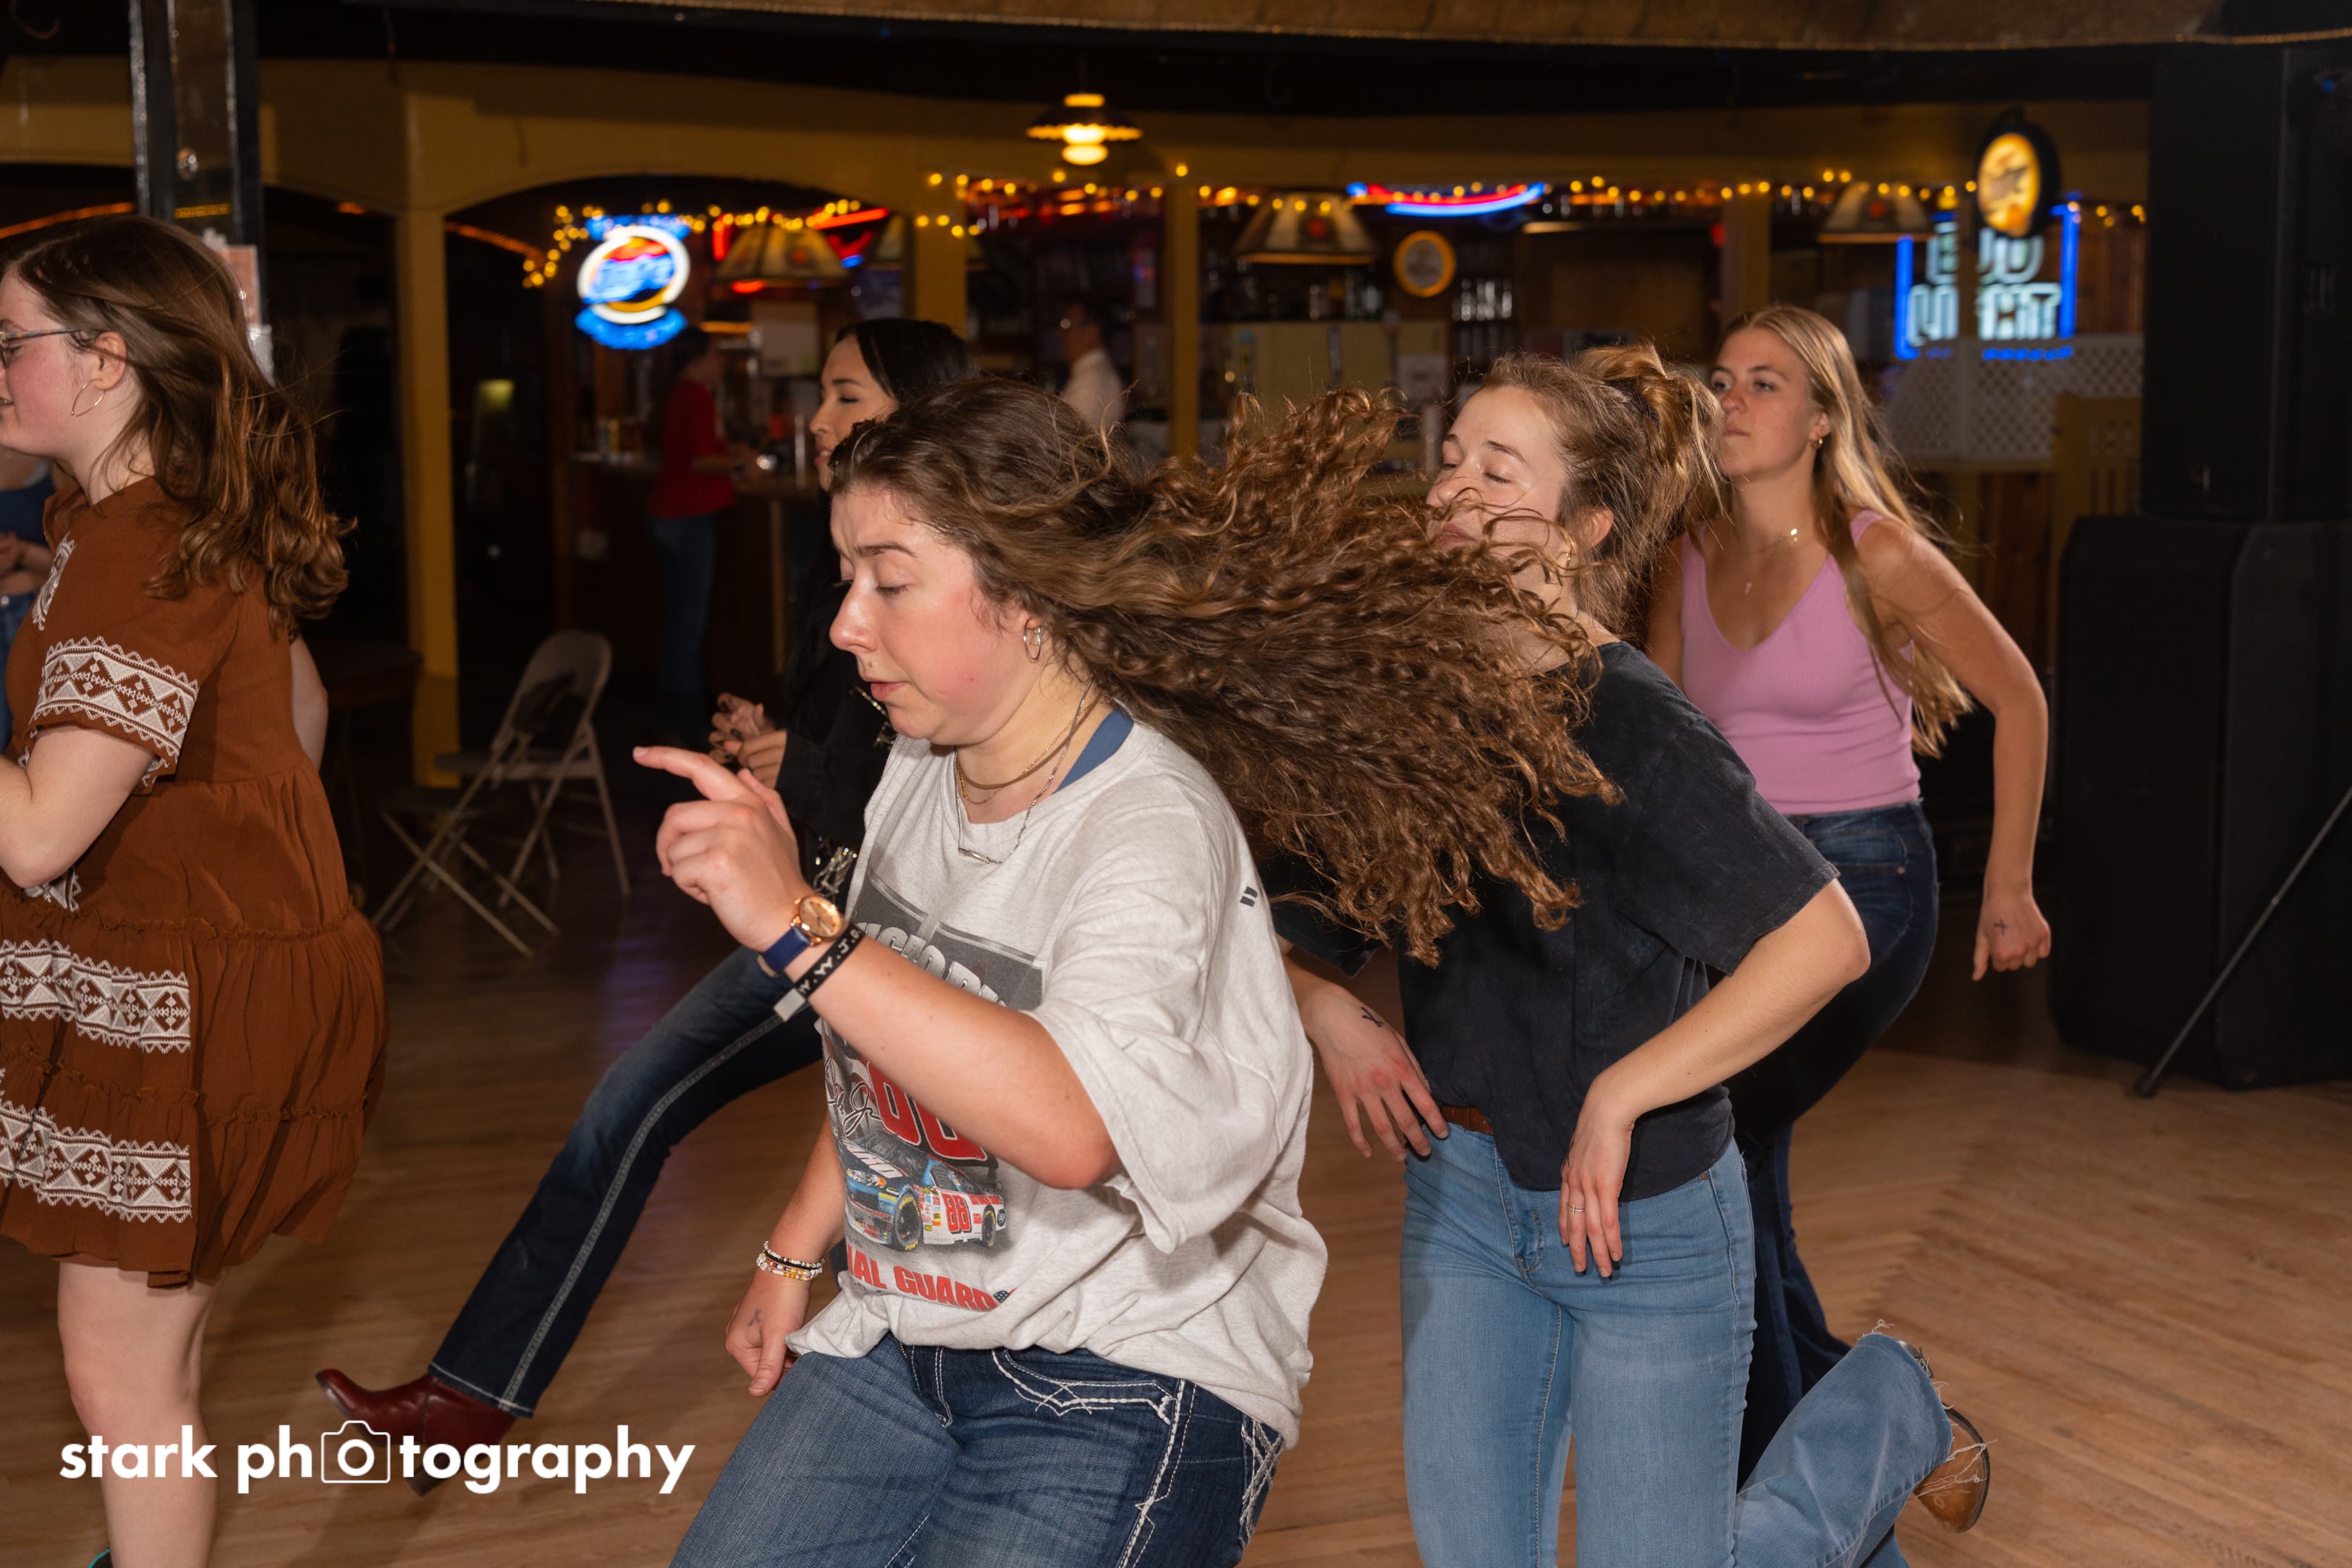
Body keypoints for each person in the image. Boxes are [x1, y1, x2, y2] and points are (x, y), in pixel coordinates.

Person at [636, 375, 1616, 1567]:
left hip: (1128, 1374)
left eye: (888, 580)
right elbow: (896, 1047)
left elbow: (1072, 1127)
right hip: (913, 1327)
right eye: (847, 577)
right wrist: (796, 1248)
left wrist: (799, 924)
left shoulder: (1148, 824)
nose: (846, 622)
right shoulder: (919, 768)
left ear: (1029, 597)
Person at [1278, 347, 1987, 1568]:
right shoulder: (1410, 710)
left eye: (1501, 469)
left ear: (1584, 527)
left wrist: (1624, 1091)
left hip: (1643, 1220)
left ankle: (1878, 1417)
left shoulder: (1637, 724)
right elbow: (1284, 915)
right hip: (1462, 1198)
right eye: (1450, 459)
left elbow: (1825, 938)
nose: (1454, 488)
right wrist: (1325, 1008)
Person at [315, 320, 973, 1486]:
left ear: (916, 409)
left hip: (857, 931)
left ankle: (478, 1396)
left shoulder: (943, 572)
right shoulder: (846, 552)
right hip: (817, 907)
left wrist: (800, 766)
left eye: (844, 395)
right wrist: (777, 745)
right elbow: (852, 749)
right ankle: (474, 1393)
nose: (818, 418)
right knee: (668, 1110)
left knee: (675, 1110)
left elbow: (936, 778)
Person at [0, 216, 386, 1568]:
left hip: (185, 999)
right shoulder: (157, 517)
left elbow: (36, 836)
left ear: (105, 360)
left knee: (122, 1378)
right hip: (222, 973)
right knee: (149, 1363)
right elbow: (299, 715)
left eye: (10, 342)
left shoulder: (139, 541)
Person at [1648, 304, 2050, 1472]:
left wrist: (2009, 885)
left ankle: (1787, 1479)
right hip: (1742, 884)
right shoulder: (1686, 555)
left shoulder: (1876, 553)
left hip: (1870, 880)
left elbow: (2020, 699)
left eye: (1764, 383)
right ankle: (1873, 1436)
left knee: (1716, 1130)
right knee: (1740, 1155)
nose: (1730, 400)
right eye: (1722, 379)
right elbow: (1662, 745)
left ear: (1823, 417)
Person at [647, 325, 742, 742]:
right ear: (700, 358)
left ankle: (674, 712)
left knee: (680, 619)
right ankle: (684, 719)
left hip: (672, 514)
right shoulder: (696, 396)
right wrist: (739, 463)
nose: (721, 362)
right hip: (689, 516)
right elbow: (701, 459)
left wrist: (729, 456)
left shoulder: (680, 394)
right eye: (717, 353)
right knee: (689, 622)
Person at [0, 443, 57, 744]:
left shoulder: (52, 456)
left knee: (29, 736)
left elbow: (78, 561)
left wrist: (22, 553)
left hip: (32, 611)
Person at [1057, 300, 1125, 431]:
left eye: (1068, 324)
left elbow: (1068, 436)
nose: (1061, 333)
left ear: (1093, 331)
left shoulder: (1090, 379)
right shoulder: (1097, 371)